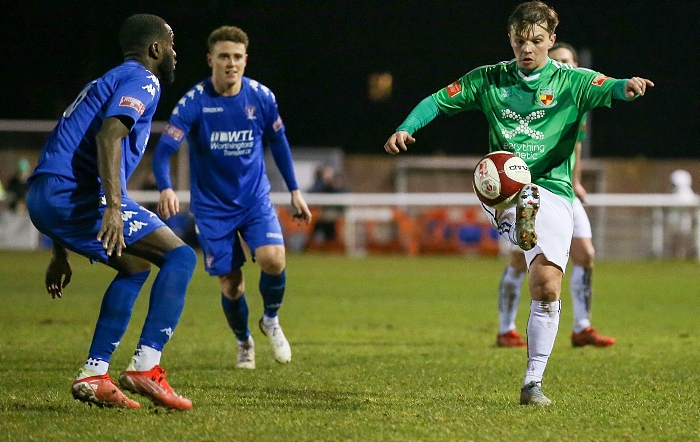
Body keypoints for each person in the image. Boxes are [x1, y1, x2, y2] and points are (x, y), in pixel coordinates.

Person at [384, 1, 653, 405]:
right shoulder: (490, 80)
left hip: (555, 191)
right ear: (510, 39)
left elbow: (609, 85)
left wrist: (627, 87)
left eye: (537, 41)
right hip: (505, 187)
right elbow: (437, 101)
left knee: (546, 287)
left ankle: (532, 383)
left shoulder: (571, 81)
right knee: (512, 193)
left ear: (552, 41)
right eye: (520, 41)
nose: (528, 49)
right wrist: (407, 127)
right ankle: (515, 221)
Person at [26, 14, 196, 410]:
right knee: (181, 255)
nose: (174, 53)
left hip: (45, 195)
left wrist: (59, 251)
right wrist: (114, 207)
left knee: (135, 267)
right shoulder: (144, 80)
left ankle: (94, 374)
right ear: (155, 49)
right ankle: (146, 366)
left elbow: (65, 151)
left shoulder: (105, 80)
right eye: (171, 45)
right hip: (75, 195)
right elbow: (109, 136)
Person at [152, 26, 311, 370]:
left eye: (237, 57)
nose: (231, 63)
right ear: (211, 59)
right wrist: (165, 186)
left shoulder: (261, 97)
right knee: (232, 284)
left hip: (254, 200)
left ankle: (270, 319)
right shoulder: (194, 103)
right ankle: (244, 342)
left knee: (274, 259)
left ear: (245, 60)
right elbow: (163, 152)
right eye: (224, 56)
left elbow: (279, 143)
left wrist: (295, 190)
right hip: (212, 210)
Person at [496, 42, 615, 349]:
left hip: (566, 193)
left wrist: (576, 181)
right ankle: (505, 328)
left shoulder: (576, 100)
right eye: (560, 61)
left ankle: (582, 327)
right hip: (536, 192)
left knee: (585, 255)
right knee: (520, 261)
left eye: (570, 62)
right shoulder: (538, 101)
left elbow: (575, 146)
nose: (565, 67)